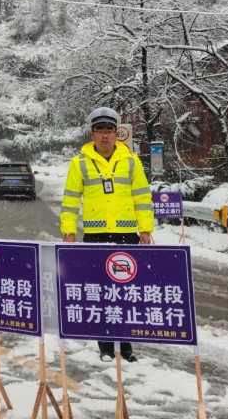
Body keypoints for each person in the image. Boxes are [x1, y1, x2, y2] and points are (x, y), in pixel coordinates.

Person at [60, 106, 154, 363]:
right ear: (91, 133)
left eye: (109, 131)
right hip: (95, 234)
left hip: (126, 234)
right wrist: (69, 230)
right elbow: (70, 200)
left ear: (117, 133)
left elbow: (142, 197)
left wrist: (145, 229)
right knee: (100, 290)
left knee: (125, 291)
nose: (104, 136)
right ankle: (104, 345)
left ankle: (126, 346)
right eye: (99, 131)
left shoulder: (131, 161)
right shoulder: (79, 163)